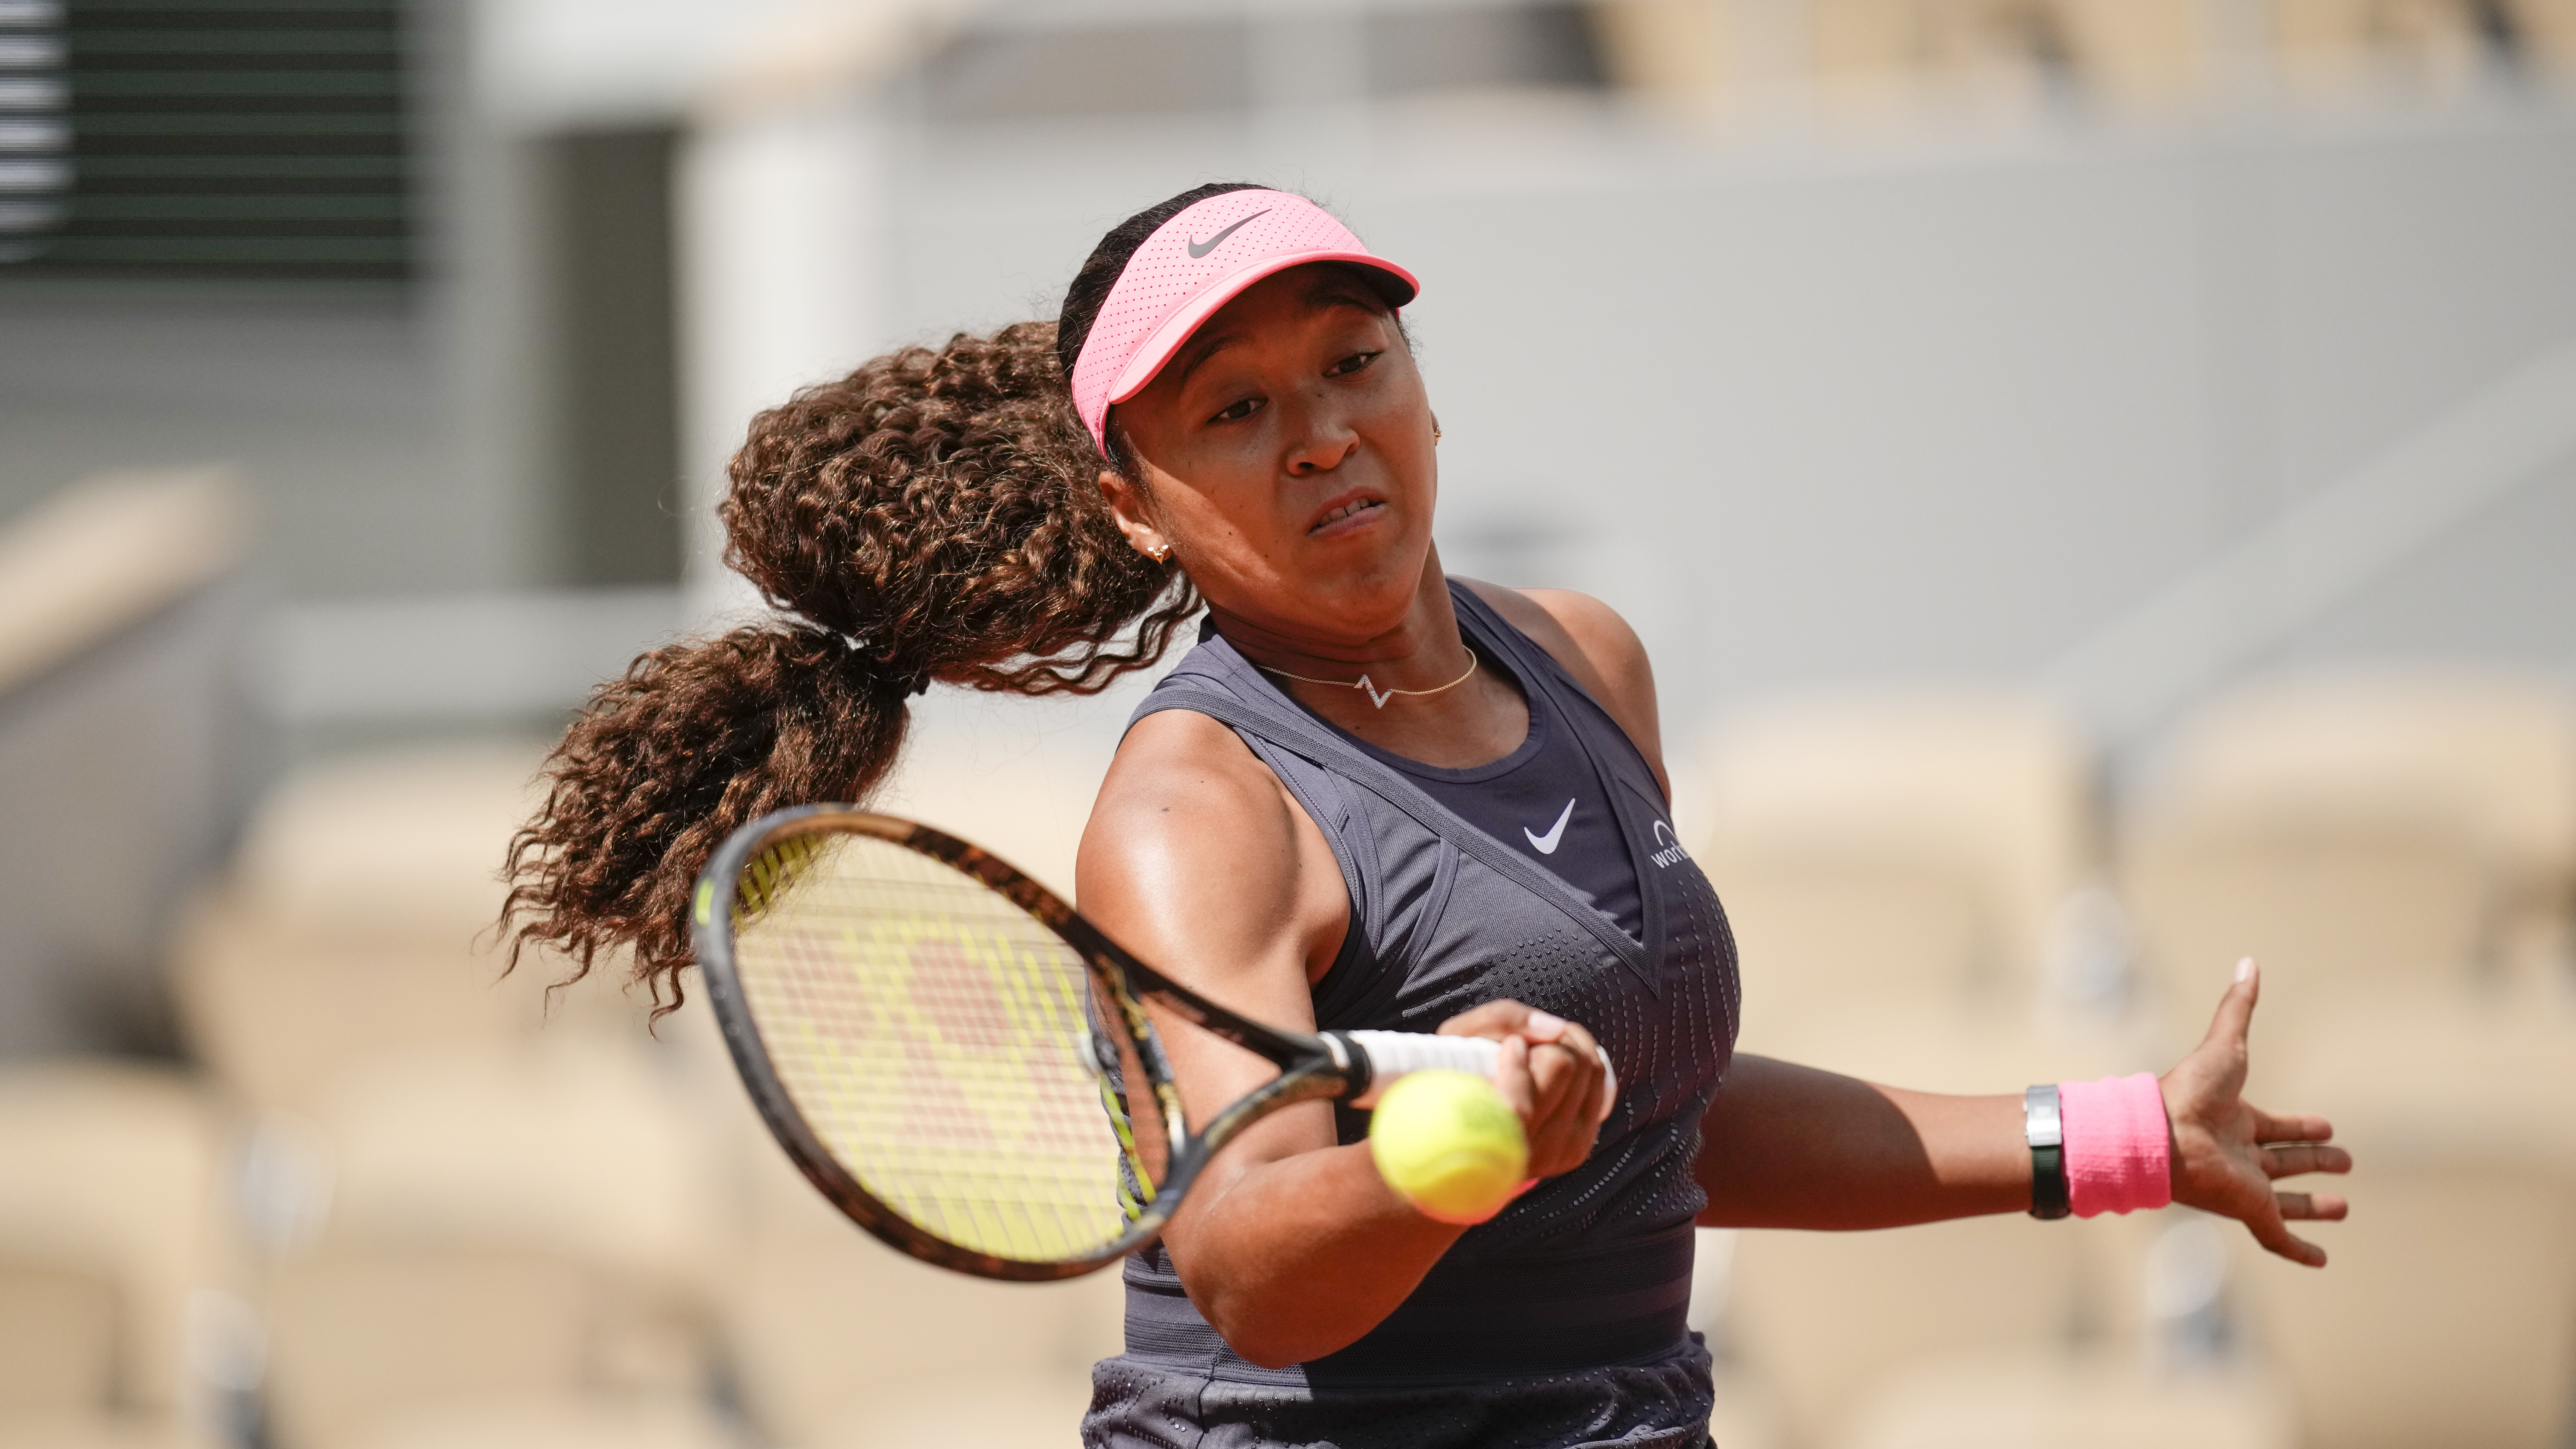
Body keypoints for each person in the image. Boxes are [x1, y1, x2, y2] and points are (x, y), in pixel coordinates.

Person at [501, 183, 2351, 1449]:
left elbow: (1656, 1126)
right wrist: (1453, 1153)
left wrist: (2112, 1140)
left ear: (1422, 392)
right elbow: (1246, 1270)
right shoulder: (1193, 808)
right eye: (1233, 408)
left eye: (1351, 363)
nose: (1319, 434)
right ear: (1131, 501)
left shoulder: (1582, 660)